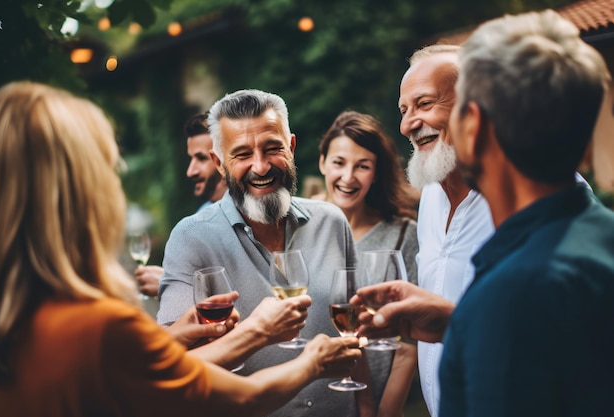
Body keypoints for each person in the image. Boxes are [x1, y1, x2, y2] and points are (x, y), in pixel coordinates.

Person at [0, 81, 363, 417]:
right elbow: (235, 396)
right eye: (107, 170)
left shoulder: (11, 326)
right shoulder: (99, 328)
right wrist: (298, 353)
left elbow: (162, 369)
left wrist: (169, 339)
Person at [353, 9, 614, 417]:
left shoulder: (515, 285)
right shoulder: (599, 234)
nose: (408, 125)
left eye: (432, 106)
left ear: (472, 124)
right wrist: (453, 323)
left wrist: (477, 320)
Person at [158, 89, 365, 417]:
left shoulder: (332, 222)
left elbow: (356, 335)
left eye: (273, 148)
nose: (261, 166)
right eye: (241, 154)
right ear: (219, 163)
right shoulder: (190, 238)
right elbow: (172, 369)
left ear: (291, 148)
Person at [397, 44, 495, 417]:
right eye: (403, 111)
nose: (407, 124)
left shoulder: (532, 191)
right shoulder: (431, 198)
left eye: (424, 104)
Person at [316, 110, 420, 416]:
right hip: (312, 397)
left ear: (376, 173)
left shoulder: (404, 235)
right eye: (338, 163)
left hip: (379, 397)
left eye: (362, 166)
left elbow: (409, 341)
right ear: (322, 162)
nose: (348, 177)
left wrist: (385, 411)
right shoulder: (296, 229)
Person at [134, 113, 228, 298]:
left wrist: (168, 284)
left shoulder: (249, 219)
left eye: (201, 159)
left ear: (224, 162)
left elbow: (243, 295)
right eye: (191, 159)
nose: (190, 171)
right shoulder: (202, 215)